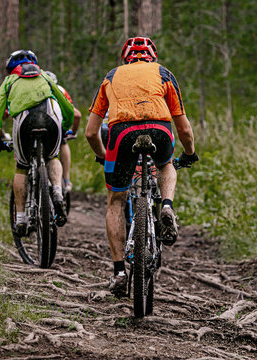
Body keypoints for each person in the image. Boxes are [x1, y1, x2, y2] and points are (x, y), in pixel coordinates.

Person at [85, 37, 199, 297]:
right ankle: (167, 206)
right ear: (152, 56)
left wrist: (104, 156)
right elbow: (183, 127)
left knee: (115, 200)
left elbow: (91, 132)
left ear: (126, 57)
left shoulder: (111, 76)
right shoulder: (164, 73)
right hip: (159, 130)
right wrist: (190, 153)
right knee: (167, 164)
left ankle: (118, 273)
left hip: (121, 133)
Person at [0, 50, 74, 236]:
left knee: (22, 166)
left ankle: (20, 219)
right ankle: (58, 192)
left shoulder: (9, 81)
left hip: (24, 122)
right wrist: (64, 127)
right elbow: (67, 106)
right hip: (51, 118)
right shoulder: (45, 76)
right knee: (52, 156)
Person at [45, 71, 82, 193]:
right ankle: (66, 179)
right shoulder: (60, 90)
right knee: (63, 142)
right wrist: (72, 132)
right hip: (56, 128)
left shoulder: (33, 90)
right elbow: (76, 115)